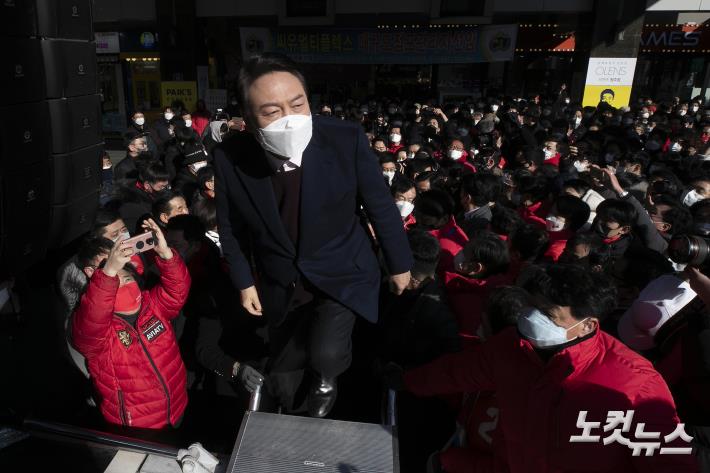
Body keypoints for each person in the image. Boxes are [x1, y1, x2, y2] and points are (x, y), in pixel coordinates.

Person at [213, 53, 412, 417]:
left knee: (327, 353)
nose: (289, 119)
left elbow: (379, 205)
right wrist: (244, 282)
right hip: (282, 279)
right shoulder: (230, 157)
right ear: (247, 116)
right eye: (272, 112)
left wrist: (399, 262)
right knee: (285, 372)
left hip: (342, 267)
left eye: (297, 104)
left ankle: (329, 380)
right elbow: (231, 226)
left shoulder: (344, 138)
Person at [391, 264, 699, 473]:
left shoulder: (633, 384)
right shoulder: (511, 347)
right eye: (530, 306)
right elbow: (457, 372)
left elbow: (668, 463)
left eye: (548, 313)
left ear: (587, 325)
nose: (531, 317)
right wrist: (407, 381)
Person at [71, 219, 191, 429]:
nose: (116, 261)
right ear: (91, 272)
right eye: (107, 261)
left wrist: (165, 254)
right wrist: (108, 273)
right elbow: (92, 324)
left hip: (178, 406)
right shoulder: (90, 320)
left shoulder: (150, 303)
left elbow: (177, 291)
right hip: (136, 425)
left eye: (117, 254)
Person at [115, 162, 171, 233]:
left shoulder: (153, 196)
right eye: (162, 187)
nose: (165, 190)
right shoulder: (132, 205)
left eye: (167, 186)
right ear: (147, 186)